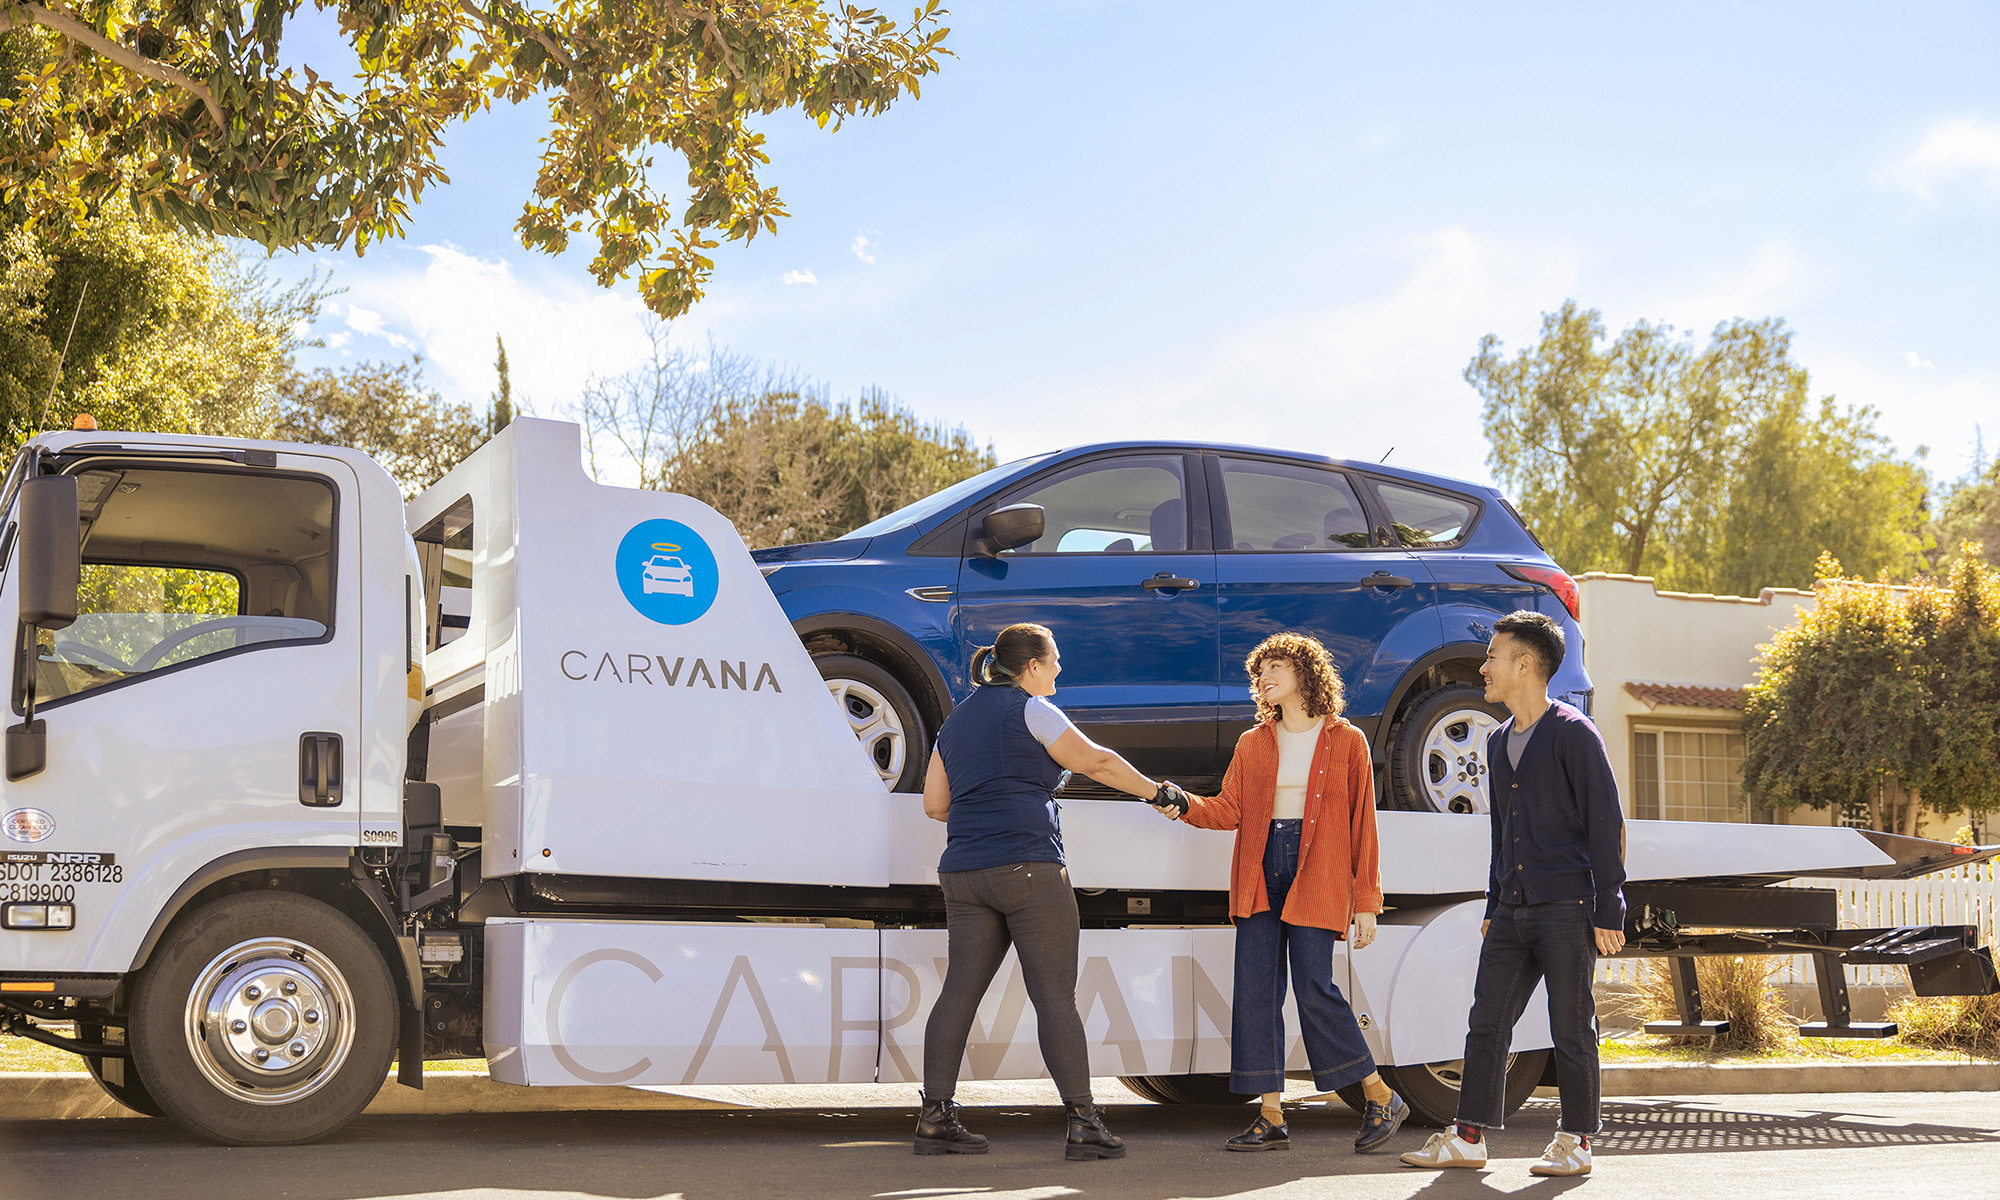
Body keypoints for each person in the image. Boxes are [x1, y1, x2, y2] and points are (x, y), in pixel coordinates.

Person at [915, 621, 1187, 1161]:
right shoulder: (1032, 710)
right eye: (1054, 659)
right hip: (1029, 869)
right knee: (1055, 999)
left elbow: (935, 805)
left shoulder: (954, 723)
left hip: (964, 874)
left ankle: (934, 1119)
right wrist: (1158, 792)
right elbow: (1096, 761)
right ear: (1032, 666)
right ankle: (1084, 1125)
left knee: (958, 994)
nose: (1060, 667)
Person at [1154, 632, 1409, 1153]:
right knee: (1255, 990)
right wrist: (1182, 803)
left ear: (1305, 673)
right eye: (1260, 671)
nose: (1265, 678)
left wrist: (1366, 901)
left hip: (1319, 870)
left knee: (1315, 986)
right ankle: (1270, 1115)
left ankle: (1379, 1094)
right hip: (1261, 868)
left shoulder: (1346, 740)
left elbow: (1364, 824)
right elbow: (1228, 810)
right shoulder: (1253, 743)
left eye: (1275, 667)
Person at [1401, 610, 1626, 1178]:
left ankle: (1576, 1141)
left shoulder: (1574, 733)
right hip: (1512, 909)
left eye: (1492, 656)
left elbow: (1607, 824)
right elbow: (1502, 831)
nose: (1483, 667)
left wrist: (1609, 905)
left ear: (1525, 664)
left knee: (1570, 1027)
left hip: (1568, 908)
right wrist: (1495, 901)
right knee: (1486, 1023)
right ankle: (1469, 1137)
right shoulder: (1498, 741)